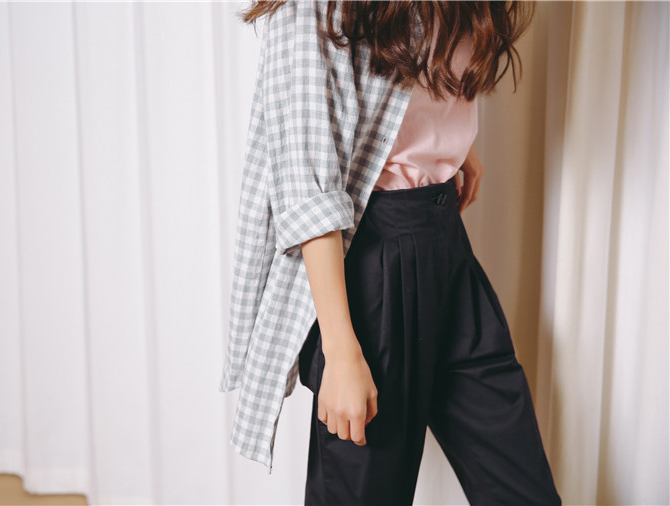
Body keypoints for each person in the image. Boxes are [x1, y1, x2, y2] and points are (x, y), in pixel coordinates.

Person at [219, 1, 562, 504]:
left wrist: (442, 140)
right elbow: (308, 194)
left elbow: (407, 76)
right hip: (371, 265)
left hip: (446, 244)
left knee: (523, 490)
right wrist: (340, 352)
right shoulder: (312, 8)